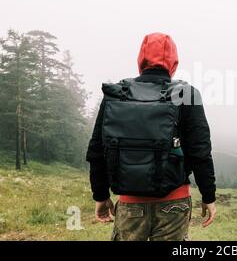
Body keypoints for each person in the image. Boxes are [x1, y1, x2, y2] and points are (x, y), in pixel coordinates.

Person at [86, 32, 216, 241]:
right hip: (175, 202)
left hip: (130, 204)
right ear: (173, 62)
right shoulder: (187, 94)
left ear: (141, 59)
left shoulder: (118, 94)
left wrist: (101, 195)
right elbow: (200, 151)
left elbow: (97, 149)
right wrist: (208, 196)